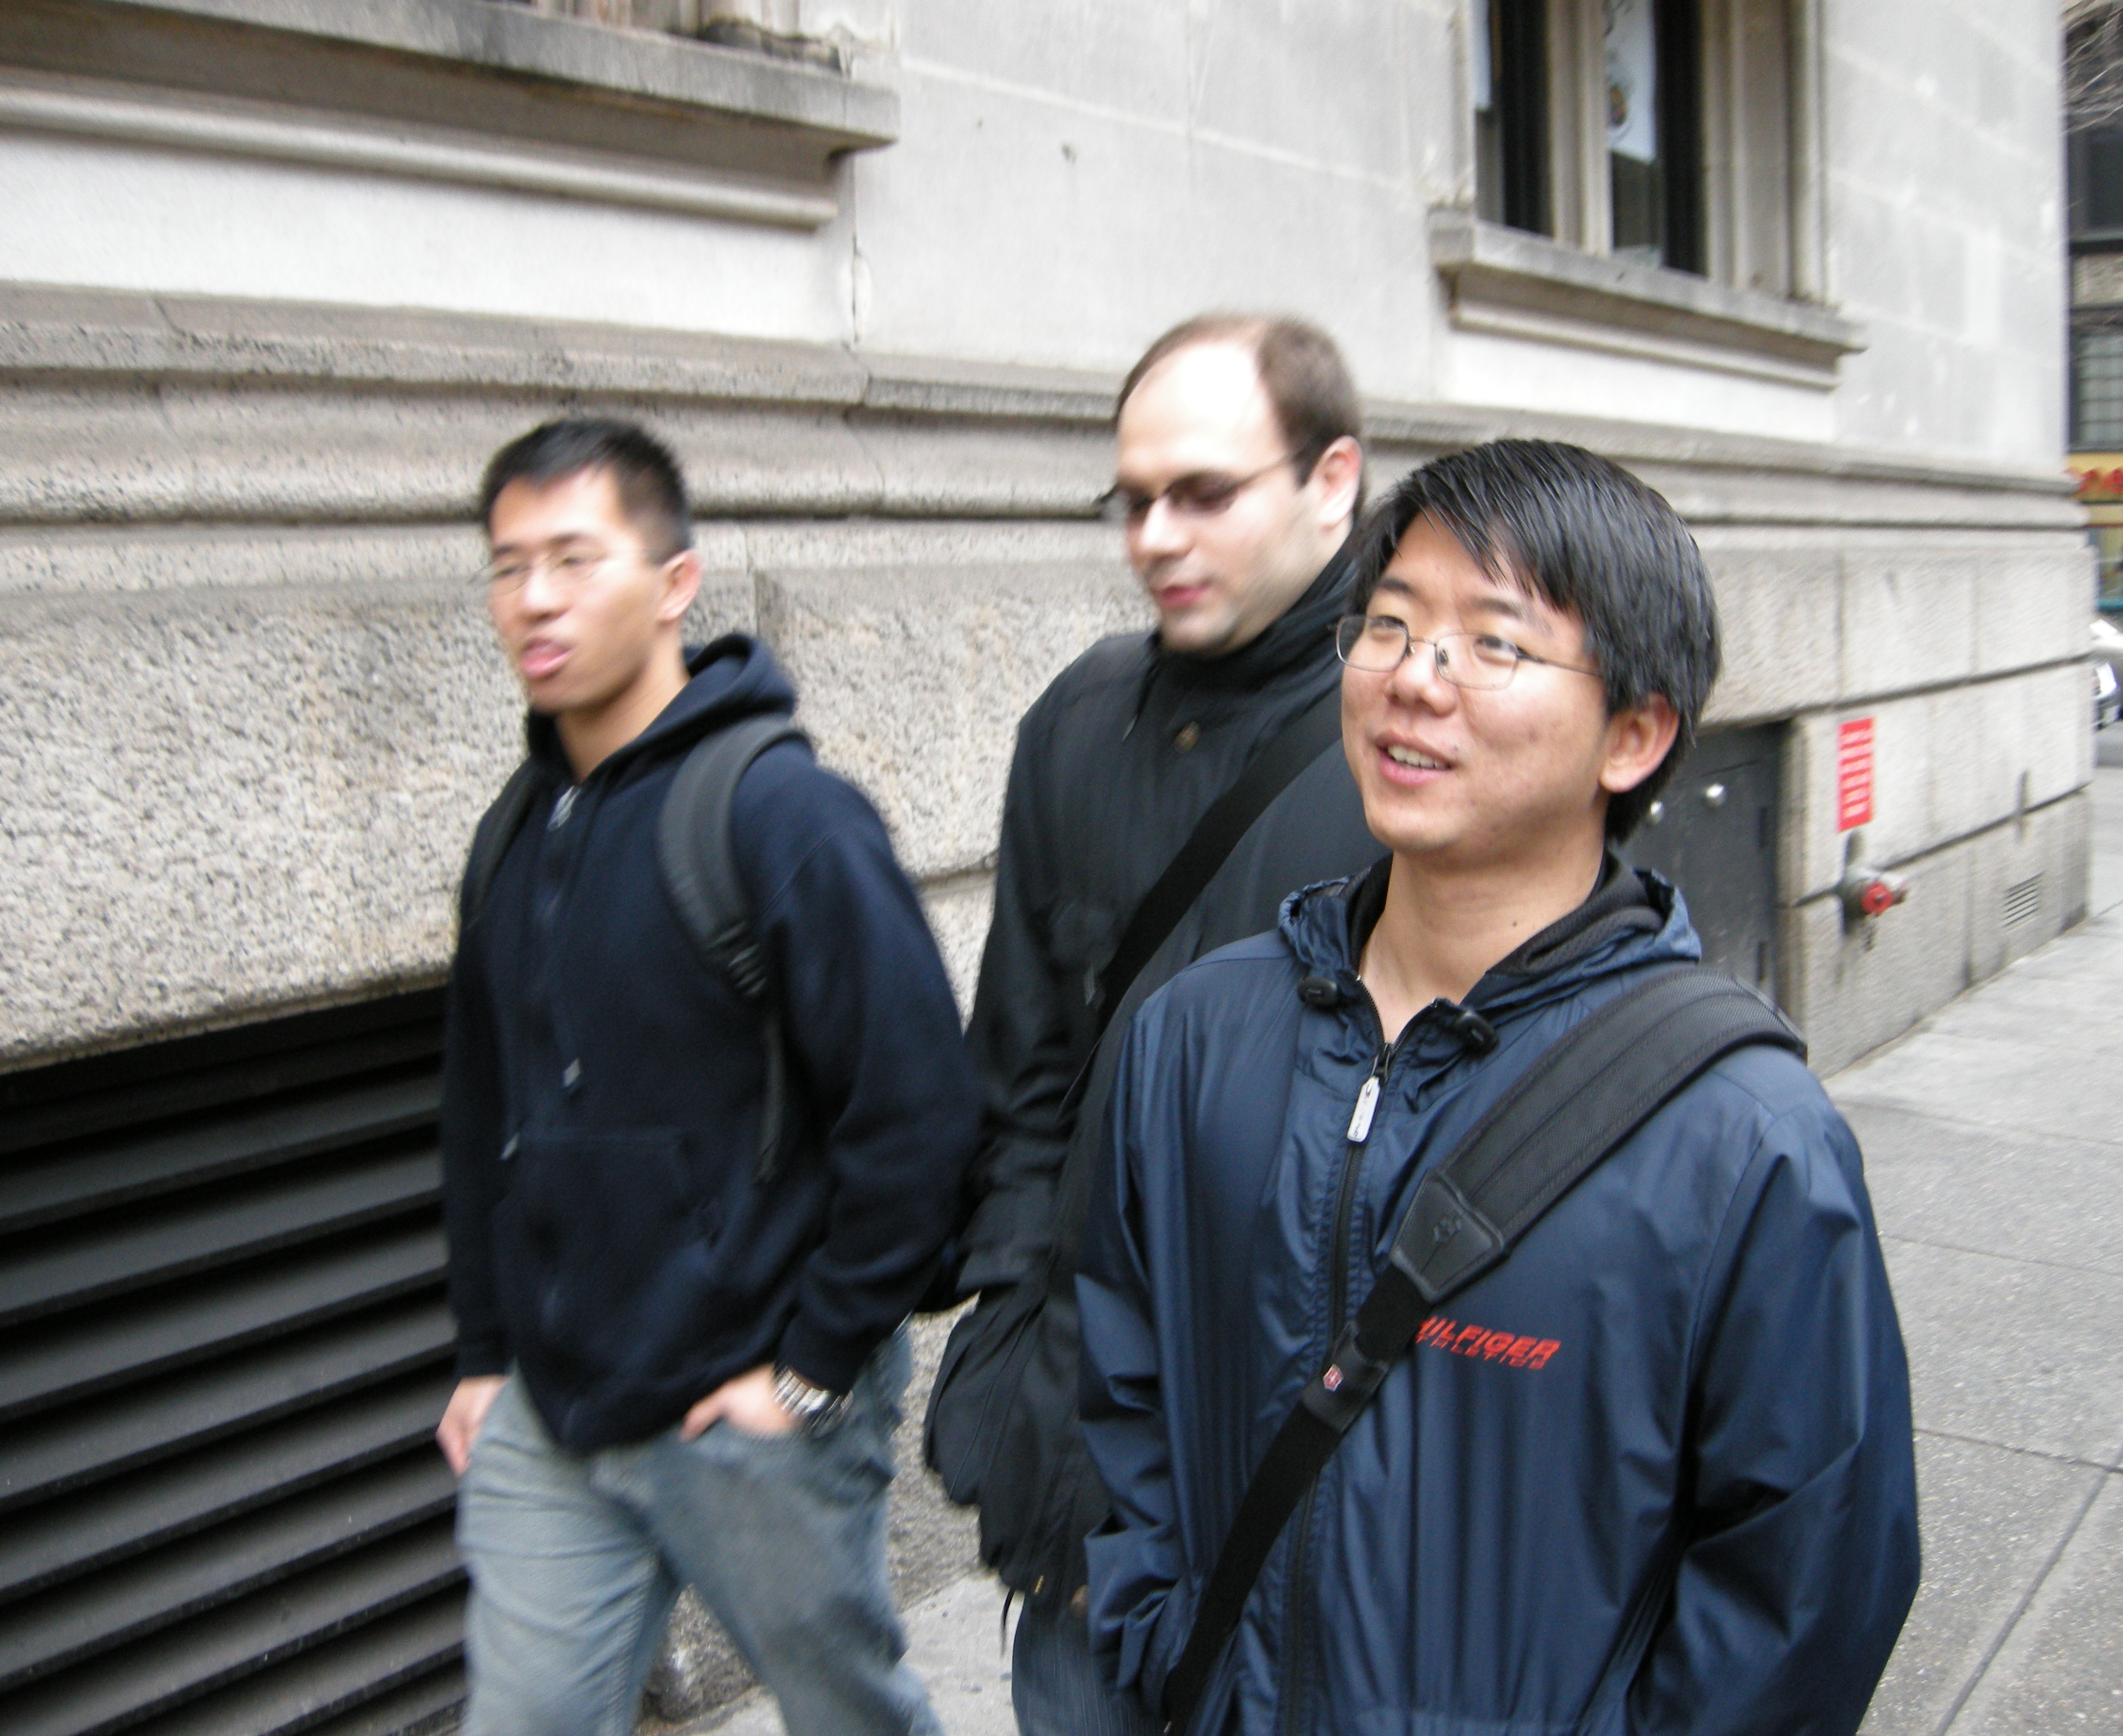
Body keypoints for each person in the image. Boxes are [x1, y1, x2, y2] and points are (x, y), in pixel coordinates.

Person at [1079, 440, 1919, 1735]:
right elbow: (1125, 1389)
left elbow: (1806, 1585)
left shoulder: (1743, 1140)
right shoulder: (1193, 1037)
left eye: (1494, 644)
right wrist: (1155, 1636)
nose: (1415, 679)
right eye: (1389, 624)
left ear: (1634, 735)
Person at [436, 417, 977, 1736]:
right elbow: (482, 1108)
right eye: (508, 566)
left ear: (676, 583)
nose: (535, 599)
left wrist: (811, 1366)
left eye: (575, 558)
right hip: (556, 1414)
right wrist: (486, 1353)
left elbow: (919, 1116)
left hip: (747, 1407)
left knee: (851, 1720)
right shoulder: (513, 833)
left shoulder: (784, 815)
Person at [925, 316, 1388, 1736]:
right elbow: (1022, 1077)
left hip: (1332, 1515)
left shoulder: (1419, 738)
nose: (1154, 538)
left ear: (1330, 481)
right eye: (1130, 500)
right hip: (1090, 1500)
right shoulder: (1077, 724)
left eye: (1201, 493)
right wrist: (1014, 1345)